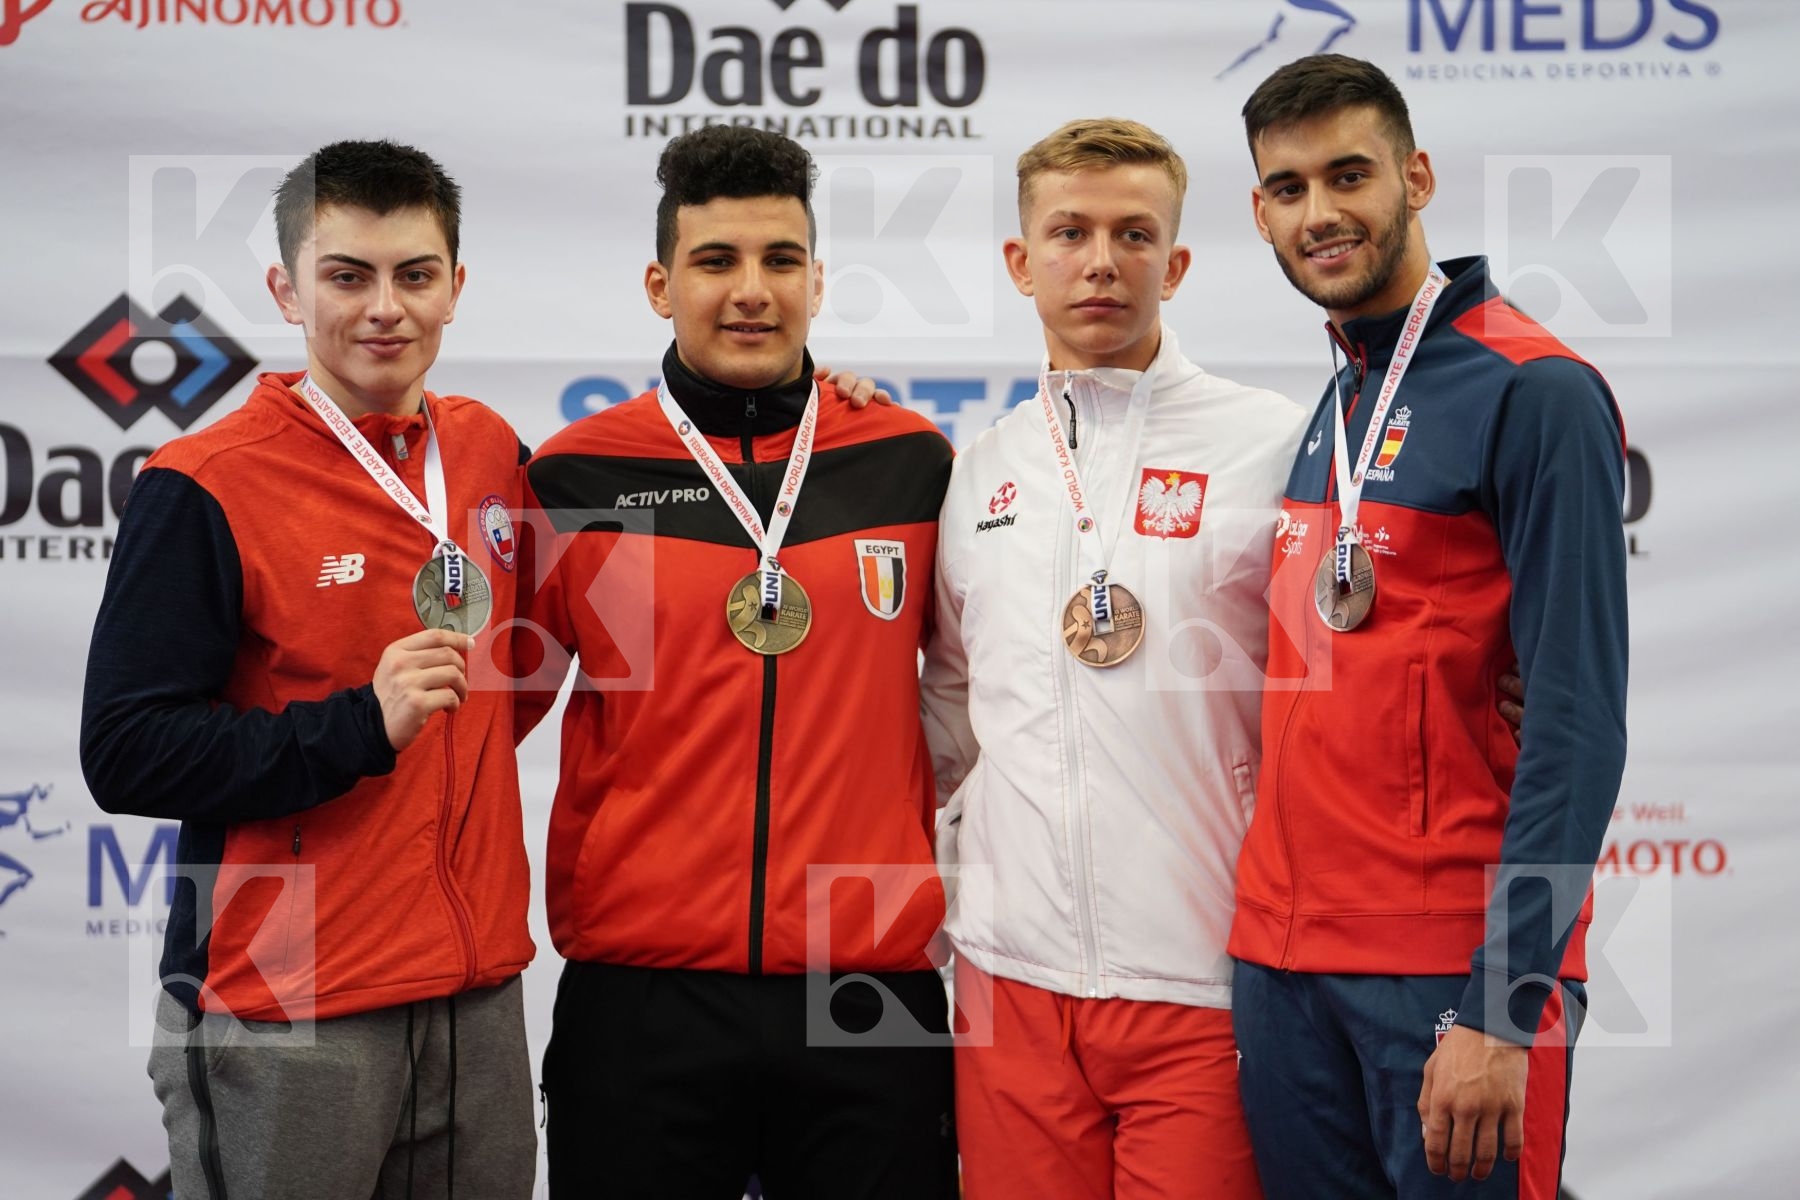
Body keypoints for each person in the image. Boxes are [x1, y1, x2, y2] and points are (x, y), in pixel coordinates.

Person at [80, 140, 537, 1200]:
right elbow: (126, 753)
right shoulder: (204, 482)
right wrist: (355, 729)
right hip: (286, 995)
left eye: (415, 275)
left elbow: (550, 645)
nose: (385, 308)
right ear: (286, 288)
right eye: (348, 275)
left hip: (476, 995)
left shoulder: (486, 451)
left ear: (456, 289)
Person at [513, 124, 958, 1199]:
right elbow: (480, 719)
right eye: (717, 262)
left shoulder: (908, 460)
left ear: (817, 280)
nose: (751, 290)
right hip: (641, 991)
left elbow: (1002, 698)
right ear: (662, 285)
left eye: (779, 261)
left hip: (870, 984)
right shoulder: (575, 476)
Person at [1226, 55, 1629, 1198]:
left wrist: (1504, 1004)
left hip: (1447, 971)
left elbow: (1578, 721)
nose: (1322, 213)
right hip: (1285, 966)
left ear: (1417, 175)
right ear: (1259, 211)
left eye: (1349, 175)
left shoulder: (1533, 389)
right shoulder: (1338, 393)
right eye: (1289, 188)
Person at [918, 118, 1298, 1200]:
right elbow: (947, 714)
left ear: (1175, 265)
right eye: (1069, 232)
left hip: (1206, 979)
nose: (1100, 261)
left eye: (1134, 235)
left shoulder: (1270, 443)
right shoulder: (976, 469)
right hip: (1007, 985)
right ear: (1019, 261)